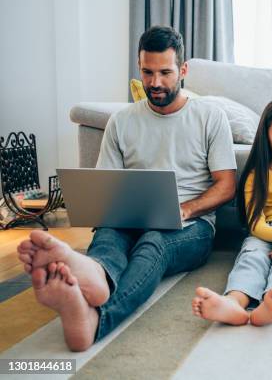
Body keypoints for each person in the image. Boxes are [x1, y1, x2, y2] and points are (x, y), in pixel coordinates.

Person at [16, 26, 237, 351]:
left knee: (153, 243)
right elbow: (106, 186)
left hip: (192, 227)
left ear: (183, 70)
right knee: (108, 237)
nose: (156, 83)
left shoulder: (210, 117)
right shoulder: (122, 121)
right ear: (139, 68)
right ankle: (96, 274)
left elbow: (227, 186)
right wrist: (104, 209)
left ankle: (98, 318)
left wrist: (185, 208)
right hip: (130, 218)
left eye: (165, 72)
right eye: (147, 73)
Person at [192, 98, 272, 326]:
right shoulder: (256, 173)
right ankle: (234, 302)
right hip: (265, 231)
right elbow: (255, 222)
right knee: (251, 257)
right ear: (266, 136)